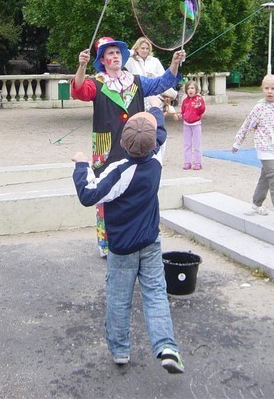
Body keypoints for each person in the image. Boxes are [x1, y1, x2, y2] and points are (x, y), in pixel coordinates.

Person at [72, 100, 184, 374]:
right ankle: (166, 346)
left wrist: (81, 165)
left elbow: (89, 194)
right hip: (150, 241)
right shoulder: (156, 159)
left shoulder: (119, 171)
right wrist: (155, 107)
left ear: (122, 142)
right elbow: (160, 132)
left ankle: (120, 350)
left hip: (122, 247)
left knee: (119, 298)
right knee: (156, 293)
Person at [71, 36, 185, 256]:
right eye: (109, 54)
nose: (114, 56)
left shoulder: (135, 81)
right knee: (104, 192)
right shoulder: (97, 83)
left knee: (134, 187)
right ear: (102, 60)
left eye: (117, 53)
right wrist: (82, 66)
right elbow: (79, 90)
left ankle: (135, 235)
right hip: (106, 147)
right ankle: (106, 243)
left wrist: (174, 63)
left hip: (133, 144)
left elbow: (163, 83)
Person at [232, 74, 274, 225]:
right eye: (266, 88)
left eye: (273, 88)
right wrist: (237, 143)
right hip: (264, 148)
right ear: (262, 89)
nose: (269, 91)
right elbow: (247, 125)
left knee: (265, 178)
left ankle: (256, 203)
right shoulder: (259, 108)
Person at [125, 36, 178, 110]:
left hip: (153, 96)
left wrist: (154, 75)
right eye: (142, 48)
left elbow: (164, 77)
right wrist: (133, 51)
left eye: (147, 48)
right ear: (137, 48)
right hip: (137, 95)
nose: (145, 51)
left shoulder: (155, 61)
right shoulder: (131, 61)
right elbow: (122, 55)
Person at [180, 80, 206, 170]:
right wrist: (183, 116)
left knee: (197, 144)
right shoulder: (185, 101)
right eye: (188, 88)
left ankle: (198, 162)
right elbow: (182, 110)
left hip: (196, 124)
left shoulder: (199, 99)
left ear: (196, 89)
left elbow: (202, 109)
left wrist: (199, 105)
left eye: (192, 88)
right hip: (186, 124)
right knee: (187, 144)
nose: (190, 90)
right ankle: (187, 162)